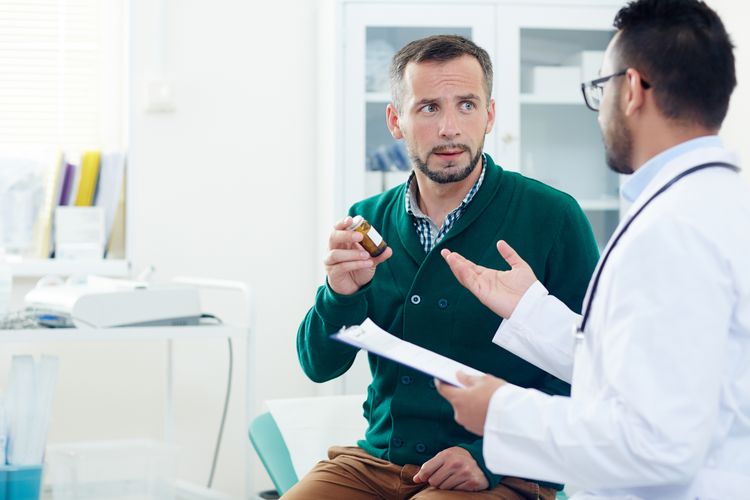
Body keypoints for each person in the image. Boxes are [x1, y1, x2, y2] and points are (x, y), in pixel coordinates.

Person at [437, 1, 750, 498]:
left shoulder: (674, 229)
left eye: (601, 88)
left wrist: (502, 412)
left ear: (632, 89)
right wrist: (530, 310)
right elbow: (639, 372)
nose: (599, 110)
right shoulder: (715, 205)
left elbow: (657, 444)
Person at [289, 34, 599, 499]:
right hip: (378, 461)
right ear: (396, 121)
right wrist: (340, 295)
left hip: (501, 468)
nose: (450, 128)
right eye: (429, 108)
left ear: (489, 115)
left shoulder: (552, 217)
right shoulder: (367, 219)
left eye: (467, 106)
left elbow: (593, 374)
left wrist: (489, 455)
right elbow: (318, 367)